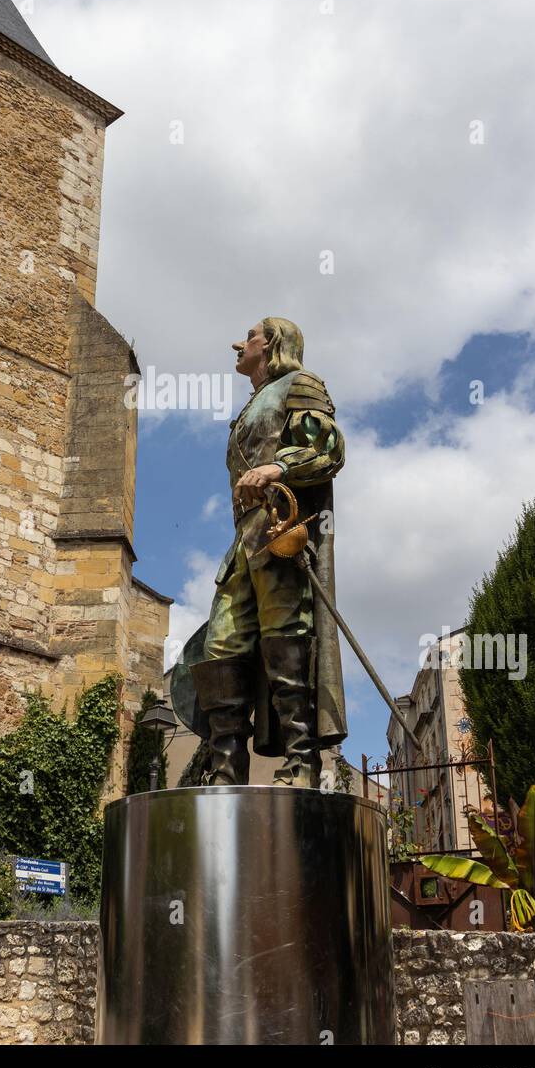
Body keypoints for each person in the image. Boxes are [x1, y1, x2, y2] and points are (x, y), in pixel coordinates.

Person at [190, 317, 347, 788]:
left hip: (282, 531)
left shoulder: (301, 385)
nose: (238, 343)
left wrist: (277, 467)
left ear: (273, 345)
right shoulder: (251, 405)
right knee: (221, 646)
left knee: (287, 635)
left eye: (250, 337)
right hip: (244, 543)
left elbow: (330, 449)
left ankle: (302, 764)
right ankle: (225, 772)